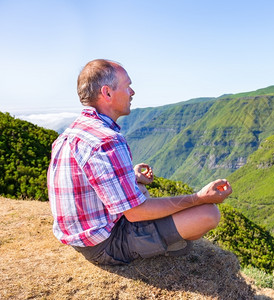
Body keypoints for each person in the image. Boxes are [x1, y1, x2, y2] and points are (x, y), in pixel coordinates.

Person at [47, 59, 232, 265]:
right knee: (208, 214)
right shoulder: (107, 140)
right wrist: (199, 198)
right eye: (127, 86)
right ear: (107, 93)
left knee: (141, 190)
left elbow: (88, 181)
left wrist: (131, 176)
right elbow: (136, 213)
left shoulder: (72, 132)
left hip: (83, 235)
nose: (132, 92)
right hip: (105, 244)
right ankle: (161, 245)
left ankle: (161, 236)